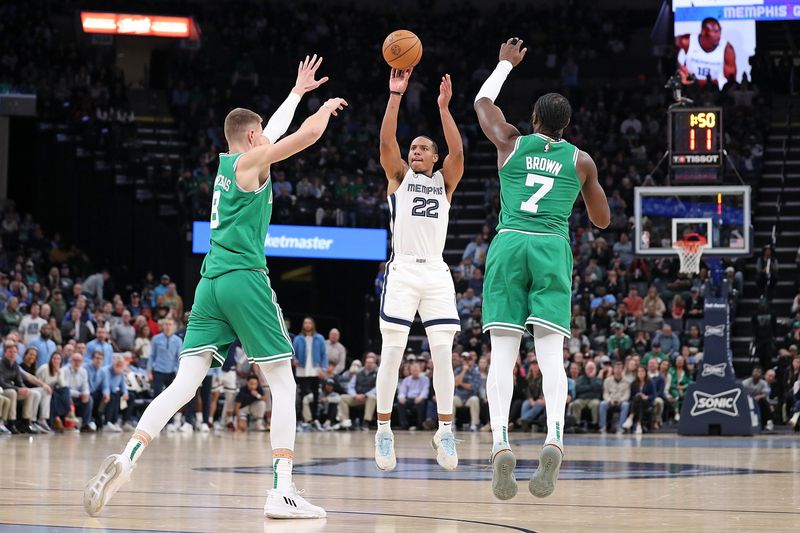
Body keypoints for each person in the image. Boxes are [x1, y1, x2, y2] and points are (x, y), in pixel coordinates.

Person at [84, 56, 343, 519]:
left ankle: (127, 459)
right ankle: (283, 491)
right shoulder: (253, 159)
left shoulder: (229, 164)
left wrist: (298, 92)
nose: (268, 136)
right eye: (262, 132)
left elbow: (275, 130)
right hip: (245, 278)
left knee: (184, 384)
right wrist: (323, 111)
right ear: (251, 136)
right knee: (284, 384)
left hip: (209, 284)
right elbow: (299, 138)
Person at [474, 37, 610, 500]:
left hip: (510, 243)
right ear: (567, 126)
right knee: (551, 356)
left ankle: (499, 445)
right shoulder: (581, 160)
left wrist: (505, 65)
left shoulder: (510, 142)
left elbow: (482, 103)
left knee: (503, 355)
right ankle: (554, 438)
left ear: (533, 121)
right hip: (552, 245)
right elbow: (602, 220)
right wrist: (584, 182)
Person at [374, 68, 464, 472]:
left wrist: (444, 109)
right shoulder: (398, 178)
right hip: (404, 270)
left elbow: (459, 154)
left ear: (434, 156)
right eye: (413, 147)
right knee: (391, 354)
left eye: (423, 148)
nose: (415, 151)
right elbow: (385, 141)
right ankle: (384, 431)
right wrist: (396, 95)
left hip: (437, 273)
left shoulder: (445, 182)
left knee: (442, 355)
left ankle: (445, 430)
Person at [676, 17, 737, 89]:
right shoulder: (687, 42)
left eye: (719, 31)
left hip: (714, 90)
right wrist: (680, 69)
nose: (718, 35)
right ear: (703, 31)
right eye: (715, 32)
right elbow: (668, 52)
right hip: (690, 88)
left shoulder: (727, 49)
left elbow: (731, 81)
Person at [292, 317, 327, 428]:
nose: (307, 325)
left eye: (309, 323)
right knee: (301, 396)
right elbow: (292, 352)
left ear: (313, 325)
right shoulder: (298, 338)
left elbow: (324, 354)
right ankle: (300, 420)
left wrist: (324, 368)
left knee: (316, 396)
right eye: (305, 323)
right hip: (302, 370)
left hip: (315, 369)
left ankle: (315, 419)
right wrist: (294, 359)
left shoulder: (319, 338)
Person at [395, 362, 430, 430]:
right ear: (410, 371)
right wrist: (401, 397)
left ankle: (420, 425)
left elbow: (425, 390)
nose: (415, 372)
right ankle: (404, 425)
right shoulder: (406, 380)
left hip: (420, 398)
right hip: (409, 399)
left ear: (419, 370)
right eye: (413, 370)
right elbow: (402, 390)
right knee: (400, 403)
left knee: (421, 403)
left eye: (416, 370)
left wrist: (420, 397)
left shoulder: (425, 379)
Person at [599, 361, 630, 434]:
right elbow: (605, 393)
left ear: (622, 370)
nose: (618, 370)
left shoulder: (627, 382)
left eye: (620, 368)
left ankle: (621, 427)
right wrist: (610, 400)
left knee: (626, 405)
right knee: (603, 404)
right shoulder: (607, 380)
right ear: (613, 369)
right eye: (616, 368)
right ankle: (603, 427)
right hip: (610, 401)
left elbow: (627, 395)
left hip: (621, 401)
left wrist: (621, 400)